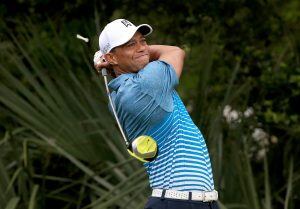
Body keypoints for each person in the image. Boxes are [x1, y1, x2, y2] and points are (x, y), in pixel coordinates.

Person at [94, 19, 219, 209]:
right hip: (179, 202)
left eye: (143, 41)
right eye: (130, 44)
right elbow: (175, 52)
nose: (143, 48)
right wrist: (108, 58)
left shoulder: (119, 94)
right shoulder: (147, 84)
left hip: (188, 202)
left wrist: (112, 59)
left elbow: (129, 63)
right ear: (111, 58)